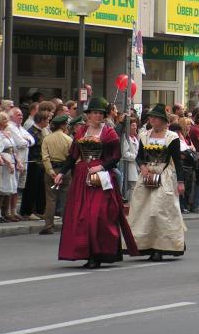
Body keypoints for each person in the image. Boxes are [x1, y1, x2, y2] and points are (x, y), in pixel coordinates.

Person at [54, 97, 138, 268]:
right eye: (94, 113)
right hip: (82, 178)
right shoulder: (81, 132)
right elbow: (73, 156)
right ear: (88, 115)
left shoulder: (109, 133)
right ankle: (87, 252)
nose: (97, 116)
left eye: (101, 113)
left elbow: (115, 157)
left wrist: (101, 167)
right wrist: (62, 172)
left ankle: (100, 253)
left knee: (97, 215)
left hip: (102, 179)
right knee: (81, 216)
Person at [128, 104, 187, 261]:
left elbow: (177, 161)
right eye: (151, 117)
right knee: (143, 211)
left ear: (163, 120)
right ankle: (144, 245)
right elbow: (139, 155)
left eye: (155, 117)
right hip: (146, 175)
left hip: (164, 175)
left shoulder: (171, 137)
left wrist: (180, 181)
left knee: (159, 211)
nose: (152, 119)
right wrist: (142, 167)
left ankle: (160, 247)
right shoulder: (144, 135)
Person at [39, 114, 72, 235]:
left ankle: (48, 225)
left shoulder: (47, 139)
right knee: (65, 198)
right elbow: (71, 157)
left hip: (51, 169)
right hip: (65, 171)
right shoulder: (68, 139)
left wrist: (51, 171)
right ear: (63, 125)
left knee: (50, 199)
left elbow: (45, 157)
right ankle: (67, 224)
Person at [20, 110, 50, 220]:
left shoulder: (43, 131)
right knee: (31, 188)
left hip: (42, 164)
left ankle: (40, 210)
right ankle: (27, 211)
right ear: (41, 120)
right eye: (47, 120)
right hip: (33, 163)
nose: (48, 121)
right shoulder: (31, 132)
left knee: (40, 188)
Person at [0, 112, 21, 222]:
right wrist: (7, 162)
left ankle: (3, 213)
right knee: (1, 189)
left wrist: (18, 161)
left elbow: (13, 149)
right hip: (3, 162)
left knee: (8, 189)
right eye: (4, 119)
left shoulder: (6, 133)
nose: (6, 121)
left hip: (10, 159)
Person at [121, 119, 140, 202]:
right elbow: (125, 153)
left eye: (135, 125)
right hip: (129, 166)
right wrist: (136, 157)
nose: (135, 127)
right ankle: (130, 206)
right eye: (133, 125)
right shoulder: (125, 138)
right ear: (127, 127)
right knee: (132, 187)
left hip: (137, 166)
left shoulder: (135, 138)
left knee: (136, 187)